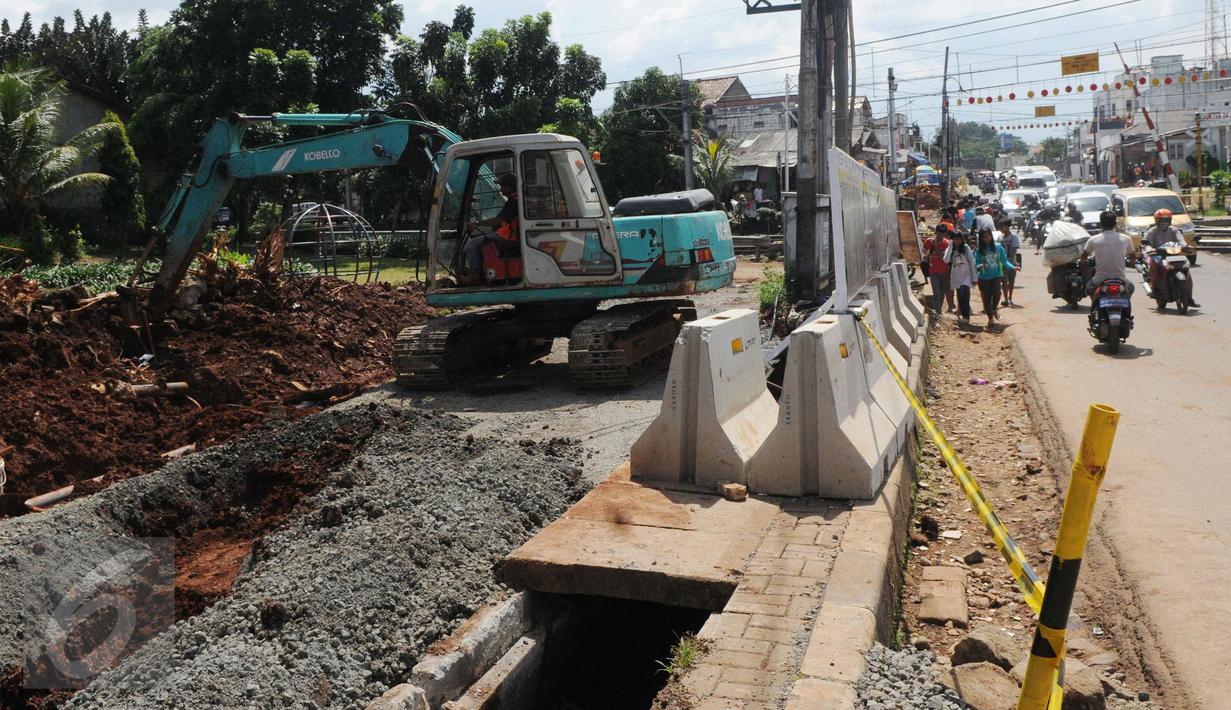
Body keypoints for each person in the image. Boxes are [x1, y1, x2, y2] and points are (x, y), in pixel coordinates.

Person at [462, 173, 520, 285]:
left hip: (509, 237)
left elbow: (498, 221)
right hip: (508, 234)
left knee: (474, 244)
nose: (501, 189)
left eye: (502, 186)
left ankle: (475, 276)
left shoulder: (514, 201)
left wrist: (477, 223)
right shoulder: (516, 199)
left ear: (509, 187)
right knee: (483, 239)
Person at [1142, 208, 1199, 307]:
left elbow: (1181, 240)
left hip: (1174, 254)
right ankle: (1154, 287)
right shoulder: (1152, 231)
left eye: (1167, 220)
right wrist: (1149, 248)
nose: (1164, 222)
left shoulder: (1174, 230)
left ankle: (1189, 297)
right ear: (1156, 220)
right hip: (1157, 255)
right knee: (1153, 264)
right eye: (1162, 220)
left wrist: (1185, 246)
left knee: (1187, 272)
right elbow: (1146, 242)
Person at [1081, 211, 1134, 298]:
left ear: (1101, 224)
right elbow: (1133, 256)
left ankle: (1094, 306)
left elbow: (1084, 255)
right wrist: (1133, 262)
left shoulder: (1093, 239)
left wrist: (1082, 261)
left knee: (1088, 289)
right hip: (1120, 278)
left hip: (1099, 279)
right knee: (1131, 288)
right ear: (1115, 223)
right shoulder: (1126, 238)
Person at [974, 228, 1017, 327]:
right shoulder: (979, 250)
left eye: (988, 236)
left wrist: (1012, 267)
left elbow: (1004, 261)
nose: (987, 239)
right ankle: (990, 318)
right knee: (987, 298)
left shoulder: (998, 248)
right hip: (984, 278)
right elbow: (976, 262)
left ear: (991, 236)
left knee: (997, 293)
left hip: (996, 276)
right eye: (984, 237)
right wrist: (978, 266)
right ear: (981, 239)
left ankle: (994, 309)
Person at [945, 232, 976, 322]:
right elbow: (946, 260)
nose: (957, 241)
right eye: (955, 239)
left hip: (966, 276)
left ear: (962, 239)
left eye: (959, 239)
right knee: (960, 296)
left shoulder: (966, 248)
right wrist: (950, 247)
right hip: (957, 277)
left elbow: (972, 262)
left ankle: (966, 316)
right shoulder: (951, 249)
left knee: (963, 294)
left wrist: (974, 278)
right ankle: (962, 312)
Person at [923, 224, 954, 313]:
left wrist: (936, 245)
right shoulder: (928, 241)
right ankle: (938, 312)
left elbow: (943, 258)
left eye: (942, 234)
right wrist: (925, 256)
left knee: (941, 293)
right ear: (935, 232)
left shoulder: (947, 244)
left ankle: (939, 309)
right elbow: (923, 251)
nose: (940, 235)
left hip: (944, 272)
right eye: (938, 233)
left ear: (945, 234)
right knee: (936, 293)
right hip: (933, 271)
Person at [998, 219, 1021, 306]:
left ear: (1007, 227)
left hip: (1011, 262)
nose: (1001, 228)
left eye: (1002, 227)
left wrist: (1011, 262)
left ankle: (1010, 297)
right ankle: (1006, 298)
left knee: (1011, 281)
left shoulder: (1013, 237)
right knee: (1004, 281)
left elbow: (1014, 251)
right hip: (1003, 262)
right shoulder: (1000, 237)